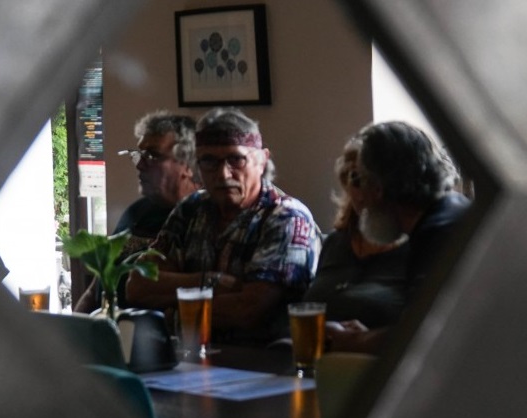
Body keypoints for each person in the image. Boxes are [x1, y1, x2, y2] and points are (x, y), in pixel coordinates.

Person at [126, 107, 322, 346]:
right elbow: (137, 286)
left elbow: (248, 311)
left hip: (260, 358)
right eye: (209, 161)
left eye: (236, 159)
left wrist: (176, 309)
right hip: (188, 354)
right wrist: (212, 281)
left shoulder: (286, 217)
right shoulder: (190, 208)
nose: (223, 173)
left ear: (262, 161)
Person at [323, 121, 471, 354]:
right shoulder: (450, 213)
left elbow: (425, 339)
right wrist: (367, 336)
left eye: (360, 180)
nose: (358, 197)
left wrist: (355, 341)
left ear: (377, 188)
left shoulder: (439, 234)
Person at [73, 111, 199, 314]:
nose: (140, 164)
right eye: (139, 154)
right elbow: (93, 290)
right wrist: (73, 325)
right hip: (102, 326)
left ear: (186, 163)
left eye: (152, 155)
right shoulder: (136, 212)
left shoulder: (202, 219)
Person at [301, 136, 410, 329]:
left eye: (374, 181)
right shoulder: (335, 242)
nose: (363, 194)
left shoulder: (419, 248)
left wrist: (366, 339)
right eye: (356, 180)